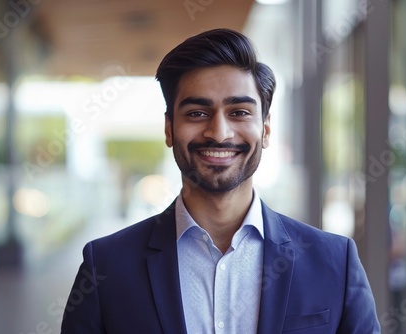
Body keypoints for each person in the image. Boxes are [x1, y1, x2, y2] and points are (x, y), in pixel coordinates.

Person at [61, 28, 380, 334]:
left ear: (266, 129)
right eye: (197, 113)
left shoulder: (335, 263)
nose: (219, 132)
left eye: (239, 112)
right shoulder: (105, 267)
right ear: (169, 129)